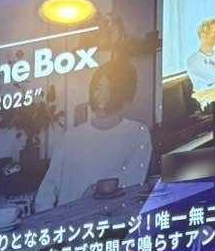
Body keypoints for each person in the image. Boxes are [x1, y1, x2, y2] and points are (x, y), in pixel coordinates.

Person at [35, 59, 152, 210]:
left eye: (109, 89)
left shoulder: (137, 133)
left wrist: (94, 195)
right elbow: (48, 187)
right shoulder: (70, 137)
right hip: (65, 221)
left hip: (107, 219)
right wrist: (45, 218)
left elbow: (132, 184)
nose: (100, 95)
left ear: (123, 94)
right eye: (98, 87)